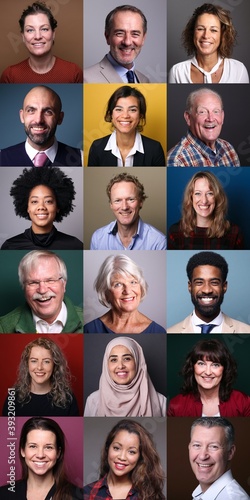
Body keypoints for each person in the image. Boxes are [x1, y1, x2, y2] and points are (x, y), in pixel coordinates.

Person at [0, 250, 83, 333]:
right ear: (24, 287)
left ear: (64, 284)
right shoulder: (3, 327)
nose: (42, 290)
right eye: (33, 282)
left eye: (50, 280)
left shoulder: (86, 321)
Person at [0, 417, 83, 499]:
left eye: (48, 447)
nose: (40, 455)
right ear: (22, 451)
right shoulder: (3, 495)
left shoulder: (77, 496)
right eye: (33, 446)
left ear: (58, 453)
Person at [167, 251, 250, 333]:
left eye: (214, 282)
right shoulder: (170, 332)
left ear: (224, 286)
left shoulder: (246, 330)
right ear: (190, 286)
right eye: (199, 282)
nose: (207, 290)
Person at [1, 166, 83, 250]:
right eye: (34, 201)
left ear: (58, 206)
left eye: (48, 201)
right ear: (27, 207)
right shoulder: (10, 246)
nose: (41, 207)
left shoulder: (75, 245)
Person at [0, 1, 83, 83]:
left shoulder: (74, 72)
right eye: (30, 30)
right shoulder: (10, 75)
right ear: (23, 36)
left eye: (44, 29)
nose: (38, 36)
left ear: (53, 34)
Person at [0, 85, 82, 166]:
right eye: (31, 110)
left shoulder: (81, 158)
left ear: (60, 118)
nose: (38, 120)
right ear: (22, 116)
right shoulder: (2, 157)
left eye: (48, 112)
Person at [83, 419, 165, 499]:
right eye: (116, 448)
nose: (122, 457)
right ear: (108, 448)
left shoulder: (151, 496)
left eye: (131, 452)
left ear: (140, 457)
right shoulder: (86, 493)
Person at [84, 336, 166, 416]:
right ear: (106, 365)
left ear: (137, 362)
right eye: (114, 360)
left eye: (127, 359)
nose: (120, 366)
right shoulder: (93, 401)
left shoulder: (161, 401)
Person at [169, 3, 249, 84]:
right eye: (200, 29)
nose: (206, 36)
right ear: (192, 32)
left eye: (213, 30)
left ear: (222, 35)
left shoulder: (238, 70)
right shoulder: (177, 72)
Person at [84, 254, 166, 333]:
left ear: (141, 287)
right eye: (118, 284)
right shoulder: (89, 330)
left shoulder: (158, 331)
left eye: (133, 282)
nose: (128, 291)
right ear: (106, 292)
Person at [167, 338, 250, 416]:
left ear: (224, 369)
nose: (208, 372)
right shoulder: (175, 405)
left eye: (215, 365)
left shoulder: (244, 402)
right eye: (201, 364)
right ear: (192, 367)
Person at [87, 86, 165, 166]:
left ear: (140, 115)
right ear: (111, 114)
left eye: (132, 110)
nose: (125, 115)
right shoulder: (97, 147)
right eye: (119, 109)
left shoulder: (155, 149)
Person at [2, 337, 80, 416]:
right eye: (34, 361)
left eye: (46, 361)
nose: (39, 367)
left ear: (54, 365)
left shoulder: (68, 398)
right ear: (27, 364)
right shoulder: (12, 397)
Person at [168, 171, 243, 249]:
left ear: (217, 198)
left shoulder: (234, 233)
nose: (204, 201)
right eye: (198, 193)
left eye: (210, 193)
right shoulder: (175, 232)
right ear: (191, 198)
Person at [90, 172, 166, 250]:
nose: (124, 207)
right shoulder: (98, 239)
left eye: (130, 199)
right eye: (118, 200)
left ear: (141, 202)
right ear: (111, 205)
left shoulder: (158, 242)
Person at [167, 88, 240, 167]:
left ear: (222, 117)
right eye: (202, 112)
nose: (210, 119)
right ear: (188, 118)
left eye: (216, 111)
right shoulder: (177, 161)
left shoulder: (228, 148)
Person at [84, 5, 149, 83]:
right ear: (107, 37)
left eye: (135, 34)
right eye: (119, 33)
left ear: (143, 39)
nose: (127, 42)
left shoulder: (145, 80)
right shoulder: (86, 79)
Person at [189, 417, 249, 499]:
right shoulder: (200, 494)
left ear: (230, 452)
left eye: (214, 446)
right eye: (197, 445)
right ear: (189, 447)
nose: (202, 456)